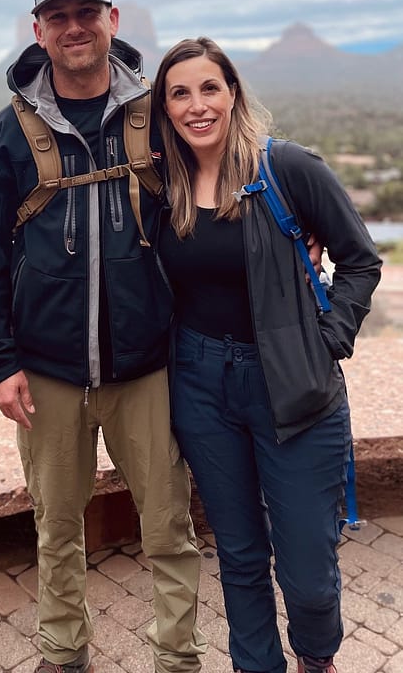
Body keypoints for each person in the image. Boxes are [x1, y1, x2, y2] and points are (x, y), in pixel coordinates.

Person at [0, 0, 206, 673]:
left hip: (148, 368)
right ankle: (64, 655)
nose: (75, 27)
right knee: (57, 528)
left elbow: (232, 168)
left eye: (87, 13)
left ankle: (178, 657)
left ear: (113, 21)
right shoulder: (8, 135)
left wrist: (309, 217)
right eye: (59, 16)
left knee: (168, 526)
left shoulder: (156, 116)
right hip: (48, 370)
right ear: (38, 30)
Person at [152, 36, 382, 673]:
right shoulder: (161, 187)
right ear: (164, 108)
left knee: (307, 564)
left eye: (209, 88)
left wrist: (330, 339)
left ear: (232, 94)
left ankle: (316, 657)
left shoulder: (286, 169)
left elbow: (360, 261)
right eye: (180, 92)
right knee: (242, 555)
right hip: (199, 384)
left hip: (293, 386)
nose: (197, 105)